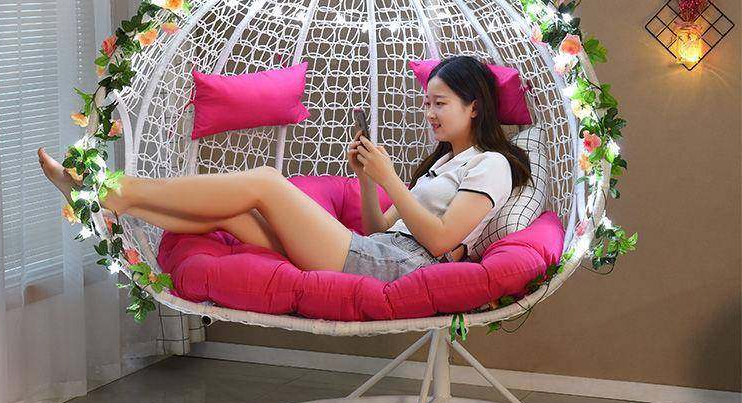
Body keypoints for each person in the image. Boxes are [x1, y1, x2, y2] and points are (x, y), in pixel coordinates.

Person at [38, 55, 531, 281]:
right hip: (379, 249)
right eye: (427, 103)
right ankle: (111, 204)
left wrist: (391, 180)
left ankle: (116, 191)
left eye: (439, 103)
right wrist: (367, 180)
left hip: (401, 267)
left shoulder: (492, 165)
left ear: (474, 106)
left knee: (267, 183)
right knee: (233, 214)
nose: (429, 114)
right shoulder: (447, 162)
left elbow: (441, 242)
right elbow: (380, 228)